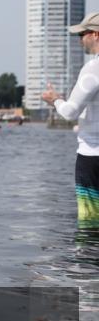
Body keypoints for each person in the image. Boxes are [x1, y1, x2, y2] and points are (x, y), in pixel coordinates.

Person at [42, 12, 99, 228]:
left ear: (95, 34)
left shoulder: (93, 68)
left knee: (90, 221)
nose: (79, 39)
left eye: (82, 34)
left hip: (93, 156)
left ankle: (87, 261)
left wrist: (54, 100)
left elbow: (70, 112)